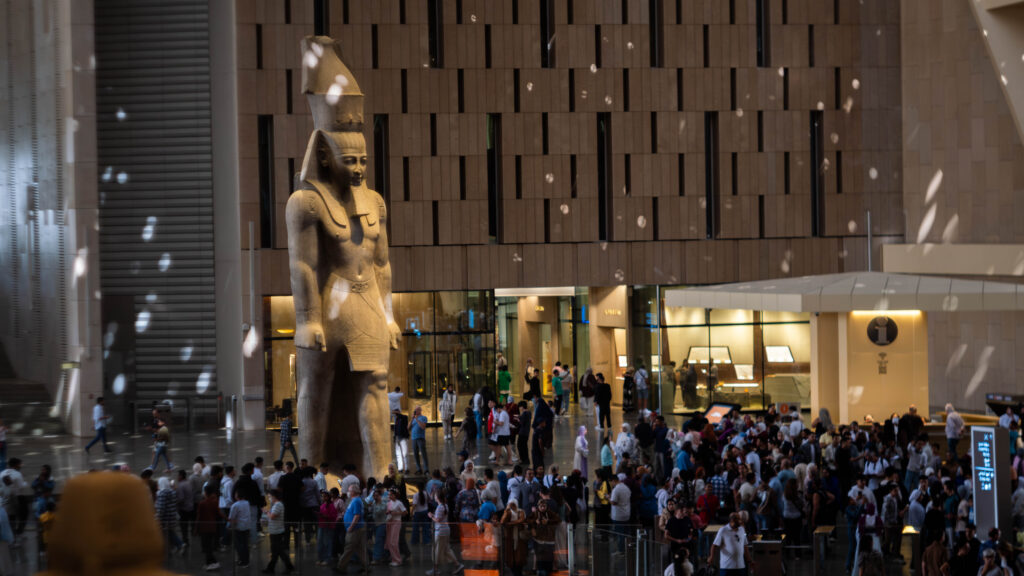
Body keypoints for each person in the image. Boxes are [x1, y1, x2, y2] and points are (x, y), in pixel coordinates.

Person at [428, 488, 464, 575]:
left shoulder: (440, 507)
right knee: (446, 549)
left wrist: (431, 516)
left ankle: (435, 568)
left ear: (437, 497)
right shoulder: (445, 506)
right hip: (445, 530)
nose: (434, 497)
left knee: (437, 550)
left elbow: (438, 519)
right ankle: (457, 564)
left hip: (440, 531)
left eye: (435, 495)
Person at [336, 483, 368, 573]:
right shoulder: (355, 500)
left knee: (349, 547)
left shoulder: (356, 501)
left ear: (353, 491)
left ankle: (341, 567)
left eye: (349, 490)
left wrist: (351, 526)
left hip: (355, 529)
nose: (348, 492)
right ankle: (366, 567)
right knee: (360, 549)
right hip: (356, 528)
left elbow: (357, 515)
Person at [528, 497, 561, 576]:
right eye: (541, 506)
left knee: (549, 555)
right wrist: (534, 522)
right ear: (538, 507)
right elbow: (528, 520)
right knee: (538, 555)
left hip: (548, 538)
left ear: (546, 506)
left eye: (544, 506)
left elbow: (558, 519)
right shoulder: (535, 513)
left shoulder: (549, 512)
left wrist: (548, 521)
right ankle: (536, 568)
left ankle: (551, 568)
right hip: (538, 538)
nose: (542, 508)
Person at [196, 483, 223, 571]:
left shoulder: (202, 503)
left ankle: (214, 562)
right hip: (212, 527)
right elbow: (219, 514)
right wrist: (228, 519)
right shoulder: (215, 502)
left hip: (204, 528)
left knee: (206, 547)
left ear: (206, 492)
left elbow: (199, 517)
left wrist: (196, 528)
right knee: (209, 546)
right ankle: (208, 563)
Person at [155, 476, 185, 556]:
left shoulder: (162, 494)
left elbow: (161, 508)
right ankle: (175, 546)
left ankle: (179, 544)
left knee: (167, 533)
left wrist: (158, 518)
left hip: (165, 518)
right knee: (170, 532)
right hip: (172, 516)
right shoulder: (172, 492)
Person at [228, 491, 252, 568]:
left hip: (239, 527)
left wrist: (230, 526)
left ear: (237, 496)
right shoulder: (247, 503)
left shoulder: (235, 505)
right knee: (245, 544)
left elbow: (231, 517)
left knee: (239, 545)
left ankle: (242, 561)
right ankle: (246, 560)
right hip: (247, 526)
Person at [384, 488, 406, 566]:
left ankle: (397, 559)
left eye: (391, 495)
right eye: (389, 494)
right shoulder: (389, 503)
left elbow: (405, 512)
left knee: (394, 542)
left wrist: (396, 513)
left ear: (395, 495)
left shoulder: (399, 503)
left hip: (396, 522)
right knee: (389, 542)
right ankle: (393, 557)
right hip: (390, 522)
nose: (389, 496)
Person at [411, 406, 429, 473]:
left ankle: (426, 469)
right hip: (413, 438)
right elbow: (408, 427)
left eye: (416, 410)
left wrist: (417, 419)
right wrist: (412, 419)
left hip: (420, 438)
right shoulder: (413, 419)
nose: (415, 411)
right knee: (415, 454)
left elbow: (423, 427)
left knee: (423, 453)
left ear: (420, 410)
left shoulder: (423, 418)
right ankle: (418, 468)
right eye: (415, 410)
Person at [517, 401, 532, 468]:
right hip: (526, 432)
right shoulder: (529, 413)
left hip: (522, 432)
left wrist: (518, 420)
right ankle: (526, 459)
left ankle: (523, 459)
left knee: (520, 446)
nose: (520, 408)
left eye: (520, 407)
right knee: (524, 446)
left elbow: (522, 423)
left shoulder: (525, 413)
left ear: (522, 407)